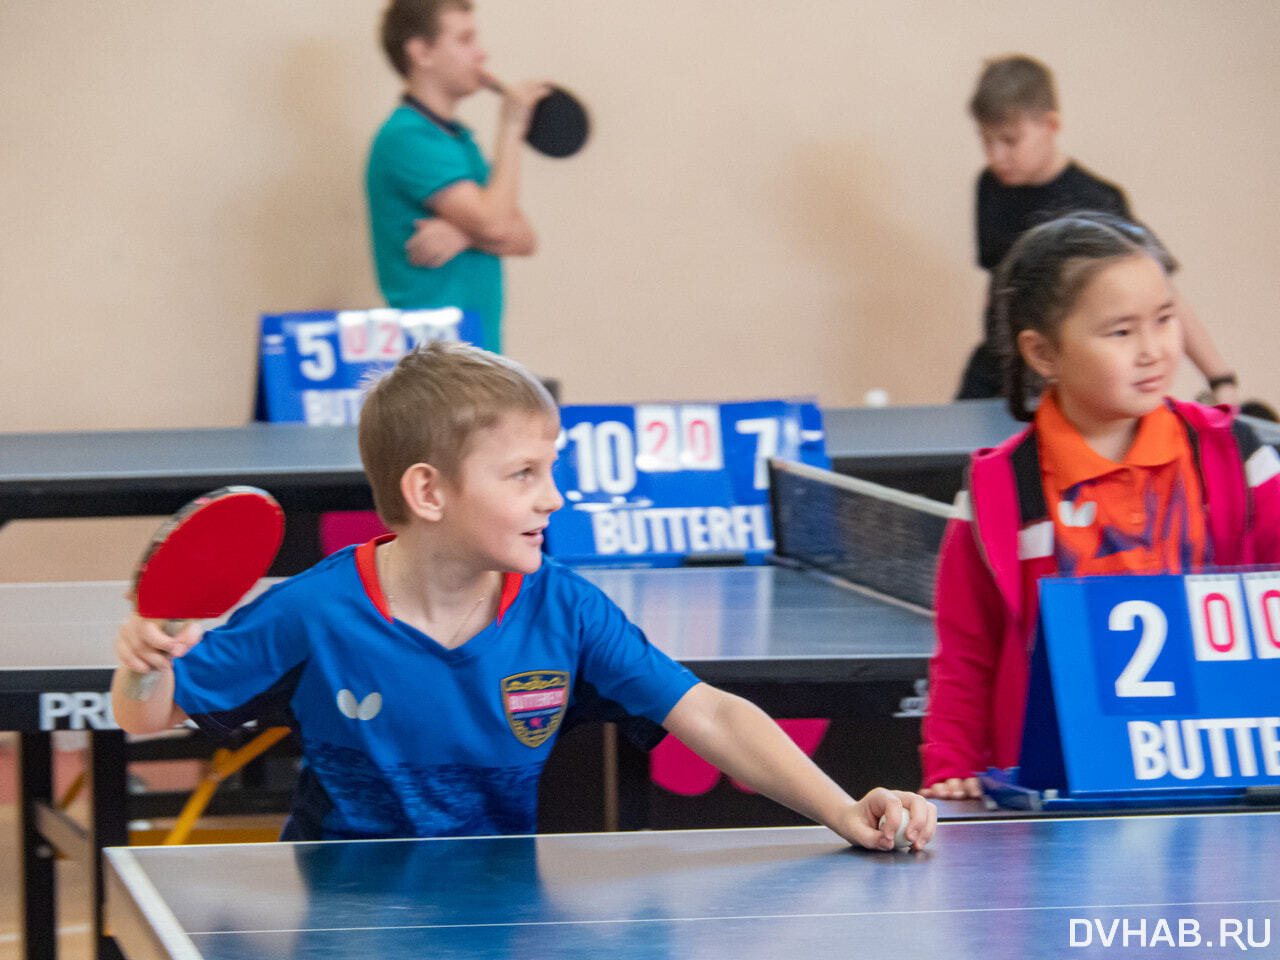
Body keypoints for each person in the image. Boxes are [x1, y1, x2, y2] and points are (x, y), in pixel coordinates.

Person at [113, 340, 937, 850]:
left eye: (552, 470)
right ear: (429, 492)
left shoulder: (564, 612)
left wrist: (841, 809)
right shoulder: (315, 612)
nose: (554, 498)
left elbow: (712, 714)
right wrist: (145, 659)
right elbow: (146, 715)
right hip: (345, 917)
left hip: (497, 917)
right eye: (524, 476)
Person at [922, 212, 1280, 799]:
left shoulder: (1238, 460)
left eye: (1165, 321)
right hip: (1059, 789)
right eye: (1120, 332)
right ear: (1043, 353)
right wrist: (949, 764)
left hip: (1220, 780)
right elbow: (966, 651)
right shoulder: (1001, 491)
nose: (1154, 351)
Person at [954, 55, 1239, 406]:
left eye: (1010, 140)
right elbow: (999, 284)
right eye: (986, 141)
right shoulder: (989, 186)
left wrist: (1220, 378)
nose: (996, 156)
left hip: (1061, 376)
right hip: (999, 371)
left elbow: (1162, 292)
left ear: (1051, 125)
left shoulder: (1096, 200)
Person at [365, 0, 543, 353]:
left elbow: (525, 238)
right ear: (421, 52)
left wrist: (465, 233)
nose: (481, 53)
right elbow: (496, 226)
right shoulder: (408, 137)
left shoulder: (459, 140)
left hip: (480, 355)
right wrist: (511, 126)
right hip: (435, 363)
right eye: (465, 40)